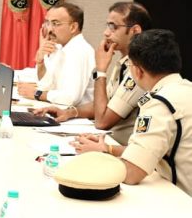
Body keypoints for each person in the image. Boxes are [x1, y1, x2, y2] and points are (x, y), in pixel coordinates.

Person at [71, 29, 192, 196]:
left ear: (137, 71)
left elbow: (131, 173)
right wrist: (107, 148)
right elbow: (152, 150)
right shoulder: (185, 89)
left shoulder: (159, 104)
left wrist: (99, 157)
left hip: (182, 200)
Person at [34, 2, 151, 144]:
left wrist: (101, 71)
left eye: (113, 26)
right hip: (107, 138)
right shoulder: (123, 63)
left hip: (120, 145)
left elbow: (102, 122)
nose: (106, 32)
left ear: (135, 31)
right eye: (107, 26)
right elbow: (101, 105)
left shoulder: (140, 69)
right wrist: (69, 112)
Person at [17, 2, 95, 106]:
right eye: (47, 23)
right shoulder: (59, 47)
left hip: (75, 113)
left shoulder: (80, 51)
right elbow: (46, 86)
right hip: (58, 108)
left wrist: (36, 94)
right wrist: (41, 62)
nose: (49, 29)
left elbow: (71, 98)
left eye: (55, 23)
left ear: (73, 27)